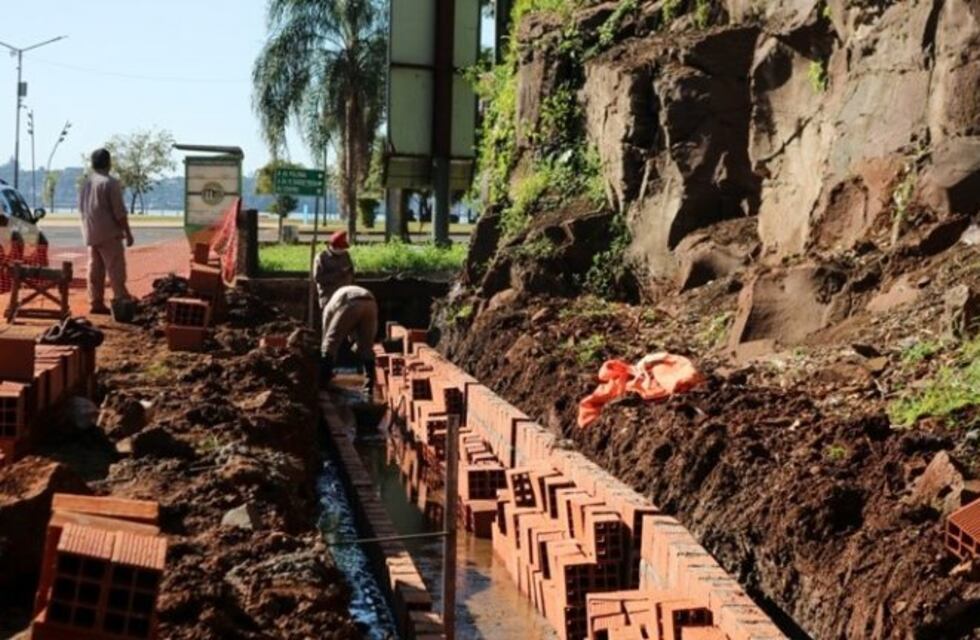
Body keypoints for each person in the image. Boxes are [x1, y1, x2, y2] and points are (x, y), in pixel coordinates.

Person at [78, 148, 134, 314]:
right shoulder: (110, 183)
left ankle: (96, 301)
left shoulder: (86, 184)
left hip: (91, 232)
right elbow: (119, 212)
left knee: (95, 269)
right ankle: (121, 300)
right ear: (109, 163)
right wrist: (128, 233)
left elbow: (82, 209)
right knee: (115, 269)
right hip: (109, 233)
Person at [320, 284, 378, 399]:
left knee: (329, 343)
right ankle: (368, 388)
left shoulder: (327, 309)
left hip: (351, 302)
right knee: (367, 348)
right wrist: (360, 344)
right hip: (371, 302)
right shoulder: (340, 295)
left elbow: (327, 335)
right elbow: (365, 335)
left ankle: (323, 382)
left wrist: (324, 353)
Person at [313, 230, 354, 311]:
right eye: (340, 248)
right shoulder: (322, 257)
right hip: (328, 296)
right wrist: (338, 274)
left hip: (345, 295)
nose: (342, 250)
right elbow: (318, 278)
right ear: (333, 247)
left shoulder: (345, 255)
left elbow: (351, 271)